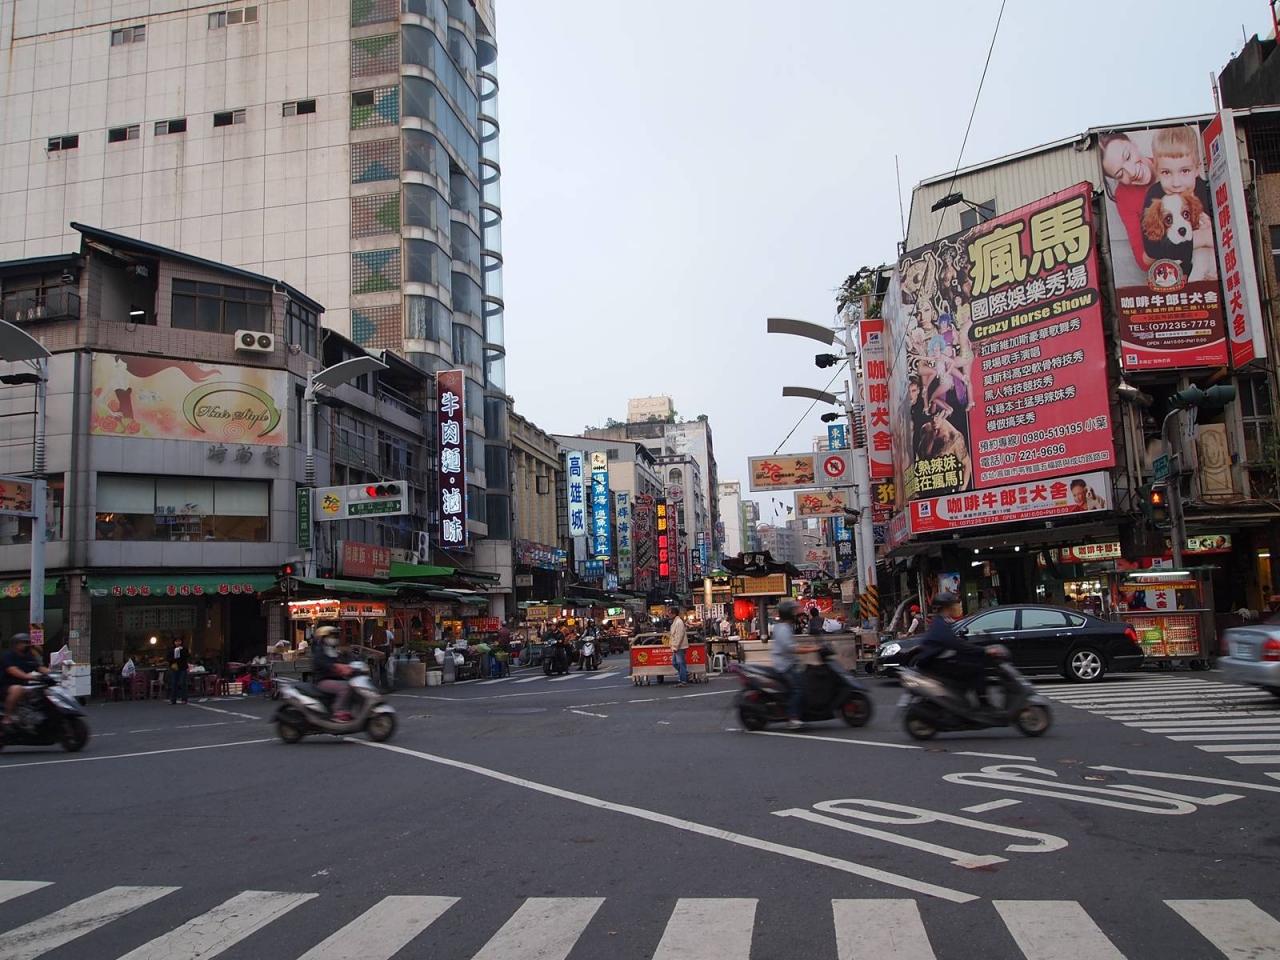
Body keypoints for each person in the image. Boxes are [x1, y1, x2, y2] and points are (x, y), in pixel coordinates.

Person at [915, 592, 988, 707]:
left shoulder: (944, 621)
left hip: (940, 660)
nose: (958, 607)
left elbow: (955, 641)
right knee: (976, 668)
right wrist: (983, 650)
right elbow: (955, 643)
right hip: (935, 664)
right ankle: (983, 705)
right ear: (947, 607)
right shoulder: (940, 623)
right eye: (955, 605)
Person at [771, 598, 804, 729]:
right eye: (793, 611)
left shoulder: (783, 627)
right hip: (785, 665)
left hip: (788, 662)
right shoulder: (783, 629)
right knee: (798, 689)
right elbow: (791, 648)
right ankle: (792, 717)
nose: (795, 614)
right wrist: (812, 649)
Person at [2, 633, 46, 727]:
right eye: (24, 642)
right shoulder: (8, 655)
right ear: (15, 644)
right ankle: (7, 717)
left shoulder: (29, 656)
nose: (27, 645)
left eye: (28, 642)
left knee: (44, 689)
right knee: (17, 689)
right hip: (6, 685)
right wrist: (28, 676)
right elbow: (12, 670)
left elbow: (39, 667)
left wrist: (53, 673)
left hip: (24, 684)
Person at [312, 626, 354, 721]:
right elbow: (326, 664)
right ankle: (337, 712)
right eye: (331, 636)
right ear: (323, 638)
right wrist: (338, 667)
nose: (334, 639)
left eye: (335, 636)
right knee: (345, 687)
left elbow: (344, 660)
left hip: (335, 678)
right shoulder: (320, 651)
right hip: (323, 680)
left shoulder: (333, 650)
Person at [669, 604, 690, 686]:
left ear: (674, 614)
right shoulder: (675, 622)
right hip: (676, 646)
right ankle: (685, 674)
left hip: (679, 646)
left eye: (670, 613)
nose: (669, 615)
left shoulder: (679, 622)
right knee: (674, 663)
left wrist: (676, 646)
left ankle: (683, 680)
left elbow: (679, 636)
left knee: (680, 663)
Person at [168, 637, 189, 704]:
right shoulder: (171, 649)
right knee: (174, 683)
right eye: (176, 641)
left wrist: (181, 651)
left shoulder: (184, 649)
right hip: (175, 667)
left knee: (183, 683)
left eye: (179, 641)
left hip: (183, 667)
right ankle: (173, 699)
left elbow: (187, 656)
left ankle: (184, 699)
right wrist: (173, 661)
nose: (178, 643)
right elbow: (168, 658)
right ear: (174, 642)